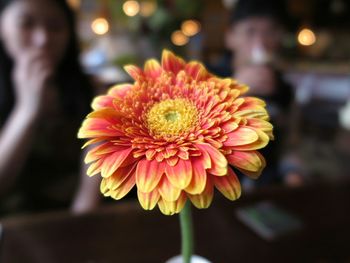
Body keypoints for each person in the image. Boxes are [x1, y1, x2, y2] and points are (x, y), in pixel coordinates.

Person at [0, 0, 100, 216]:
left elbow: (89, 197)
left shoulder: (93, 92)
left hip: (82, 225)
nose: (42, 39)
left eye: (55, 27)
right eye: (26, 24)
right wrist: (27, 110)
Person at [217, 0, 297, 187]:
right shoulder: (206, 78)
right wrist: (234, 89)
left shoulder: (283, 88)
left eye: (269, 32)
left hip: (268, 185)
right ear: (230, 37)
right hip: (220, 183)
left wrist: (293, 171)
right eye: (250, 31)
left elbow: (289, 142)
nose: (260, 43)